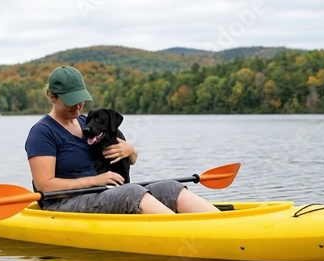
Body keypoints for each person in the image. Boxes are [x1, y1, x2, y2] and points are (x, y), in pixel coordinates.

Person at [25, 65, 219, 214]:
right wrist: (95, 180)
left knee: (169, 187)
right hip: (62, 204)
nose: (78, 105)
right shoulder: (42, 132)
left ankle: (220, 224)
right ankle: (187, 233)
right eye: (71, 100)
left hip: (100, 193)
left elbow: (129, 160)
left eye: (80, 99)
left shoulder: (90, 123)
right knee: (132, 192)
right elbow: (45, 185)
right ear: (52, 96)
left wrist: (131, 151)